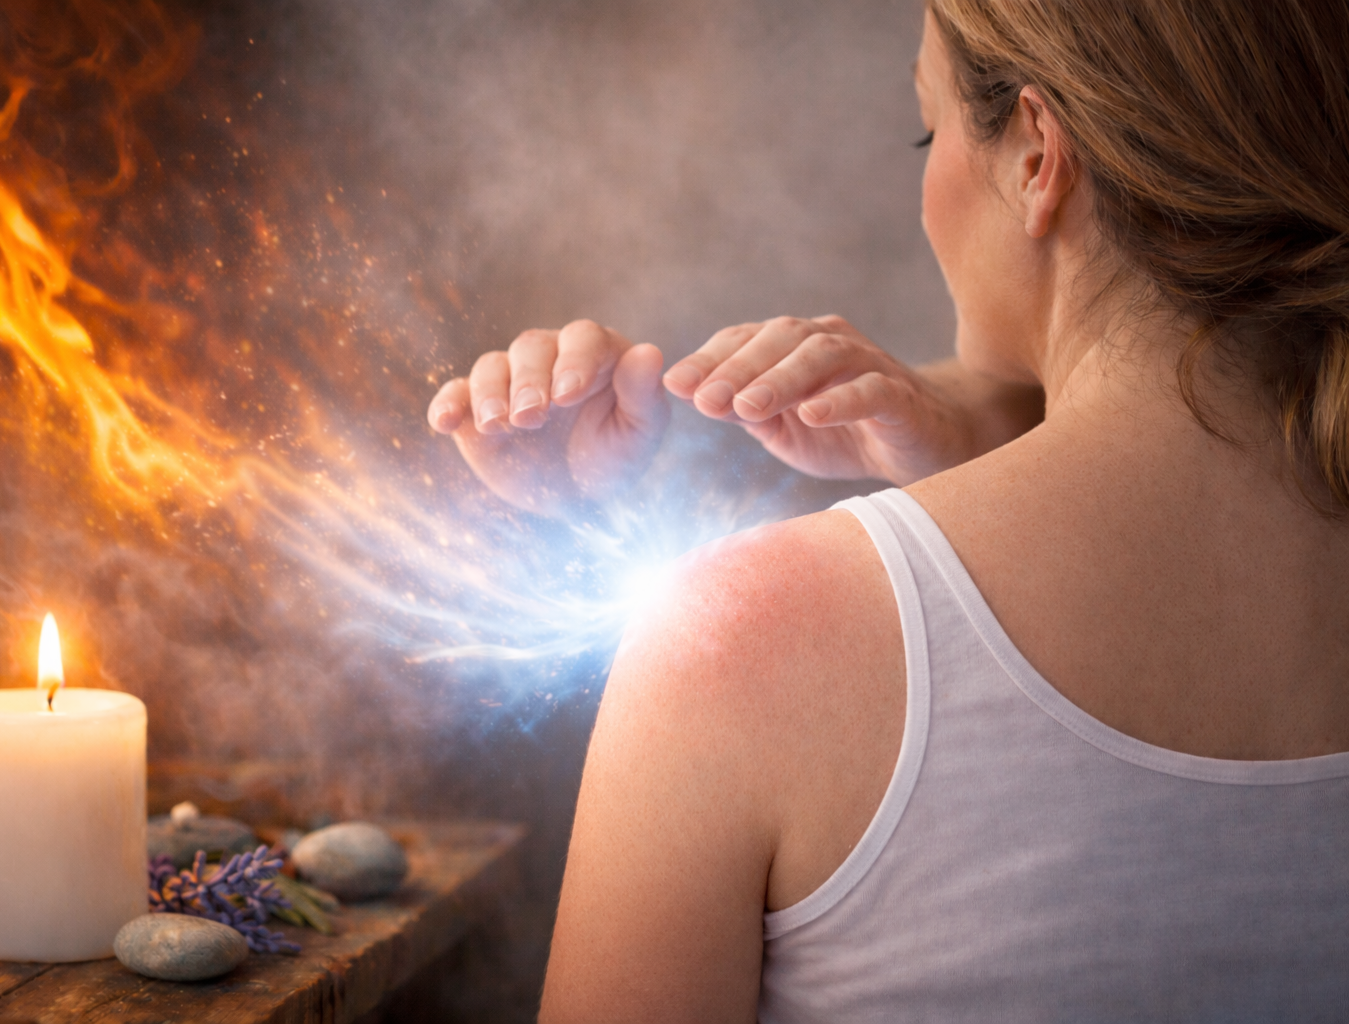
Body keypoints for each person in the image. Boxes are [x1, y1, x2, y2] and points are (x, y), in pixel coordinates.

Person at [429, 0, 1349, 1018]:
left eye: (931, 127)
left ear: (1039, 155)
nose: (925, 187)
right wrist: (998, 435)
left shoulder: (738, 649)